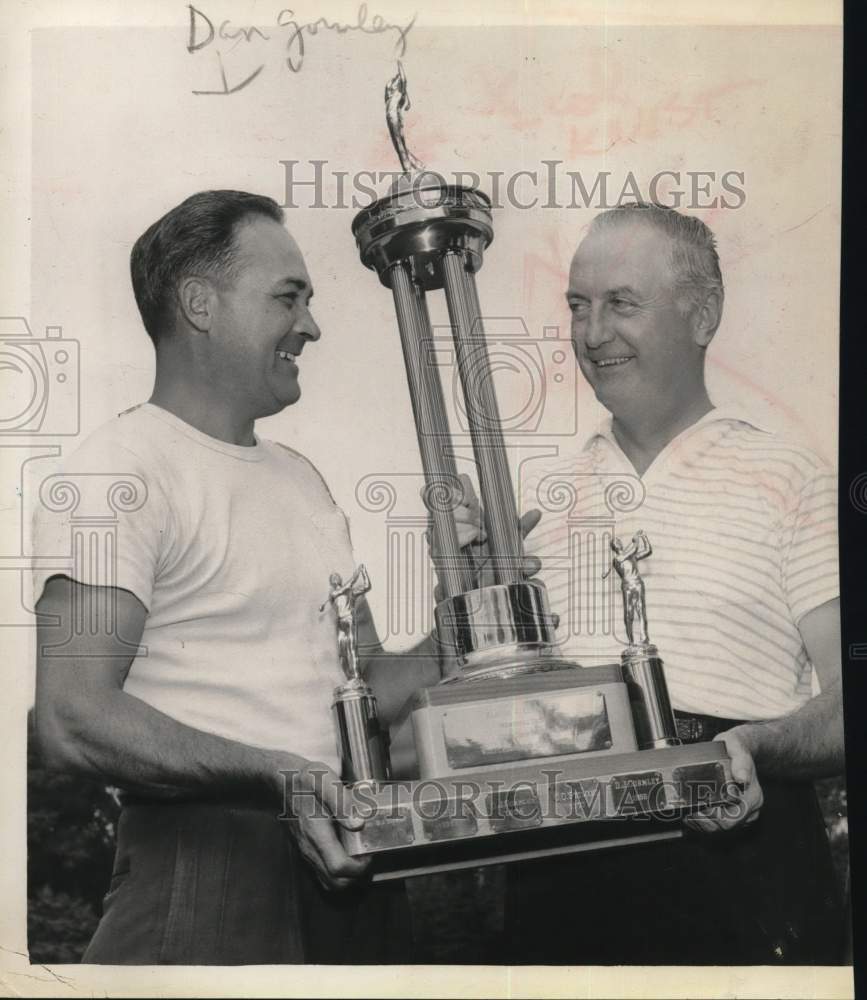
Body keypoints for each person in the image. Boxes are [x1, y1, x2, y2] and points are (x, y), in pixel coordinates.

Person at [450, 202, 845, 964]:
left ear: (703, 315)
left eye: (620, 304)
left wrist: (750, 748)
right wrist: (473, 605)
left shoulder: (791, 476)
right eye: (577, 307)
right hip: (564, 876)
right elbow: (486, 727)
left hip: (744, 864)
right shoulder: (537, 500)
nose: (592, 335)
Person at [31, 190, 418, 964]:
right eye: (288, 297)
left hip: (353, 865)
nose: (311, 325)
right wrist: (275, 774)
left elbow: (369, 692)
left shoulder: (302, 479)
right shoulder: (118, 471)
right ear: (199, 303)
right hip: (204, 870)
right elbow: (72, 718)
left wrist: (470, 601)